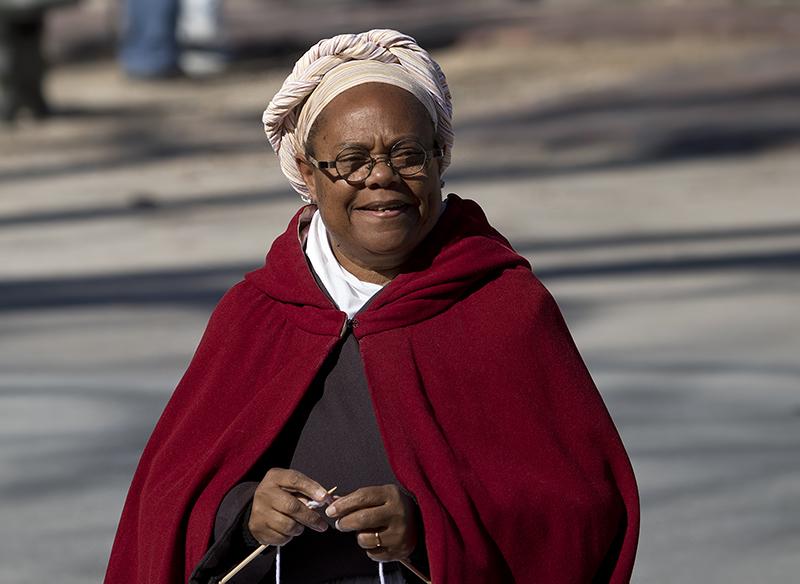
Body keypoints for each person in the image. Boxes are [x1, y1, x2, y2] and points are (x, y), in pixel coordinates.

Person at [104, 29, 639, 584]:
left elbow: (584, 511)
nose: (381, 176)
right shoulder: (256, 313)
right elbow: (165, 502)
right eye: (351, 160)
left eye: (407, 155)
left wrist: (430, 529)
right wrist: (242, 512)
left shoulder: (502, 306)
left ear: (440, 161)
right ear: (308, 176)